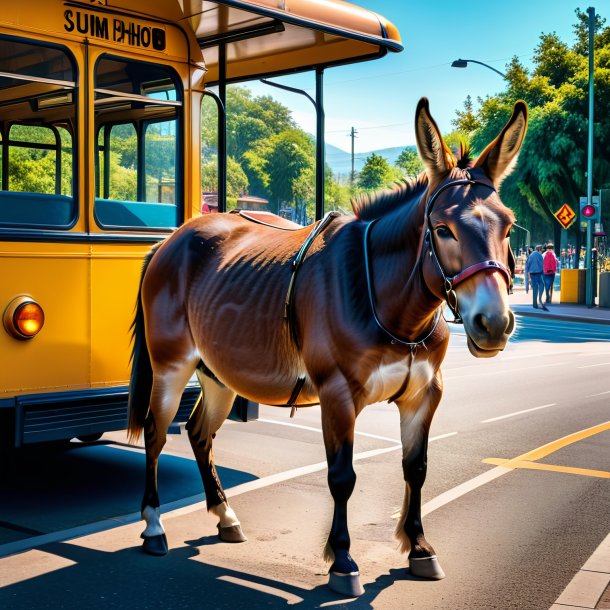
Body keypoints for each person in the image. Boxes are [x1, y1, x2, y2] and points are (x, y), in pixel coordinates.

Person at [525, 244, 547, 310]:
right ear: (539, 249)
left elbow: (527, 267)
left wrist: (528, 279)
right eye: (541, 250)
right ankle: (540, 299)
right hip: (539, 274)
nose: (542, 251)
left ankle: (535, 304)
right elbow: (543, 265)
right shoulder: (540, 256)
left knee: (535, 289)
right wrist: (544, 274)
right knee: (542, 285)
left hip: (532, 274)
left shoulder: (531, 256)